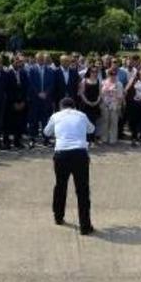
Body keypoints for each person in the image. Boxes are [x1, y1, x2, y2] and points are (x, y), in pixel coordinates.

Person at [44, 97, 96, 235]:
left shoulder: (56, 115)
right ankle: (85, 226)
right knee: (82, 190)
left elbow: (46, 132)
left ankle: (58, 217)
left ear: (61, 107)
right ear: (74, 107)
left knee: (60, 186)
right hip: (80, 153)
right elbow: (92, 129)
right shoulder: (82, 115)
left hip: (61, 154)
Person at [28, 52, 56, 147]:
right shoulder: (31, 70)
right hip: (35, 99)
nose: (41, 60)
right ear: (36, 59)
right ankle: (32, 139)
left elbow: (52, 84)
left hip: (46, 99)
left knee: (45, 120)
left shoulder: (50, 70)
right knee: (33, 119)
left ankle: (46, 139)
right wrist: (38, 93)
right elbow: (31, 83)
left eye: (42, 59)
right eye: (39, 59)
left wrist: (46, 93)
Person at [4, 55, 28, 149]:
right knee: (8, 123)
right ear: (12, 62)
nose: (19, 64)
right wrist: (14, 102)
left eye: (20, 62)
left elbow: (26, 88)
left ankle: (17, 141)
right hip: (10, 103)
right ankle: (7, 142)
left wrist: (23, 102)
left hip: (21, 102)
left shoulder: (23, 73)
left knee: (19, 122)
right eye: (17, 62)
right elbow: (6, 89)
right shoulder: (7, 73)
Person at [98, 68, 124, 145]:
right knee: (105, 122)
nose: (113, 76)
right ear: (108, 74)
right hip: (104, 105)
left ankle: (113, 139)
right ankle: (104, 139)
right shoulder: (103, 83)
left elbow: (120, 96)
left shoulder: (119, 84)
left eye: (114, 74)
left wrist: (118, 106)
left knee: (114, 123)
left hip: (114, 105)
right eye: (111, 74)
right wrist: (101, 103)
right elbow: (100, 94)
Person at [78, 65, 101, 143]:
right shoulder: (84, 80)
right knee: (86, 122)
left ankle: (92, 139)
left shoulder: (98, 81)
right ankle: (86, 139)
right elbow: (81, 93)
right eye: (92, 71)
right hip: (85, 104)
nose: (94, 73)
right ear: (89, 72)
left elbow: (100, 94)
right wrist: (87, 102)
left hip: (95, 104)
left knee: (93, 122)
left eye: (96, 72)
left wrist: (96, 102)